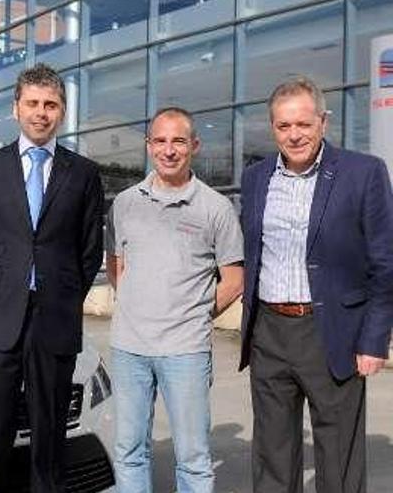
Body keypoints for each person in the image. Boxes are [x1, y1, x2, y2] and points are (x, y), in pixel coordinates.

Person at [0, 63, 104, 493]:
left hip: (54, 321)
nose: (42, 112)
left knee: (50, 440)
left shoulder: (84, 174)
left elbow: (89, 250)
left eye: (51, 104)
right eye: (33, 103)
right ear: (16, 108)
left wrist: (64, 296)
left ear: (63, 112)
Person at [239, 76, 393, 492]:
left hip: (333, 333)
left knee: (338, 457)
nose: (294, 135)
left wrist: (374, 339)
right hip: (269, 332)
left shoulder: (364, 173)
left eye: (303, 124)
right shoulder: (255, 178)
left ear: (323, 122)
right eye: (284, 126)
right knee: (272, 455)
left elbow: (385, 262)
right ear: (273, 128)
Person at [105, 107, 244, 492]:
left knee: (194, 459)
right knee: (129, 451)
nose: (169, 150)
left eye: (178, 141)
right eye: (160, 141)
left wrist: (194, 313)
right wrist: (140, 302)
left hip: (185, 350)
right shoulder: (125, 204)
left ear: (194, 146)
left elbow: (234, 281)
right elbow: (116, 267)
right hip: (129, 348)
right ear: (149, 146)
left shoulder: (216, 208)